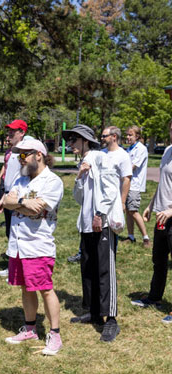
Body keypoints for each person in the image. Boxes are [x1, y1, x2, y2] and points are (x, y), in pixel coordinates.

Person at [0, 139, 64, 355]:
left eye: (24, 155)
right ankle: (30, 329)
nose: (21, 159)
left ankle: (55, 335)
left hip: (38, 245)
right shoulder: (21, 179)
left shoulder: (52, 182)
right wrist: (24, 202)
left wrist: (17, 202)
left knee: (45, 288)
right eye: (19, 155)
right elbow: (5, 201)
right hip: (18, 245)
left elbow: (37, 210)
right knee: (25, 287)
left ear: (38, 154)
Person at [63, 124, 121, 342]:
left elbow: (111, 188)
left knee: (105, 270)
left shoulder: (99, 157)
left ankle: (111, 319)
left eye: (74, 140)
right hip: (87, 224)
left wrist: (100, 213)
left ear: (85, 140)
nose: (70, 145)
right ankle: (94, 312)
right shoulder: (85, 163)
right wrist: (79, 176)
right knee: (89, 268)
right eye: (69, 141)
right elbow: (79, 198)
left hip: (102, 222)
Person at [131, 120, 172, 324]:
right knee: (159, 260)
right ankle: (155, 297)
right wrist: (150, 204)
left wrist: (171, 210)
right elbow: (163, 183)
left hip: (170, 215)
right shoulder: (168, 151)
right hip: (161, 216)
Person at [0, 120, 28, 277]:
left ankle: (20, 267)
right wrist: (3, 196)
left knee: (18, 232)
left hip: (17, 196)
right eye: (8, 131)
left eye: (13, 131)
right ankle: (14, 266)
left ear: (22, 133)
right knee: (10, 231)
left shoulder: (25, 150)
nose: (9, 134)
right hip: (7, 193)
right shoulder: (10, 152)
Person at [123, 125, 150, 247]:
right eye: (127, 135)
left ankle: (146, 238)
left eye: (130, 135)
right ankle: (131, 236)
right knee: (128, 211)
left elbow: (132, 167)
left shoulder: (141, 149)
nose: (128, 137)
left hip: (134, 185)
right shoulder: (128, 149)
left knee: (133, 210)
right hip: (127, 184)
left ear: (137, 136)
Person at [101, 126, 132, 210]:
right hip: (100, 199)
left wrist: (122, 202)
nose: (102, 138)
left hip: (115, 201)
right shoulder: (101, 153)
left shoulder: (123, 155)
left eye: (104, 136)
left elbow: (127, 179)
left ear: (114, 136)